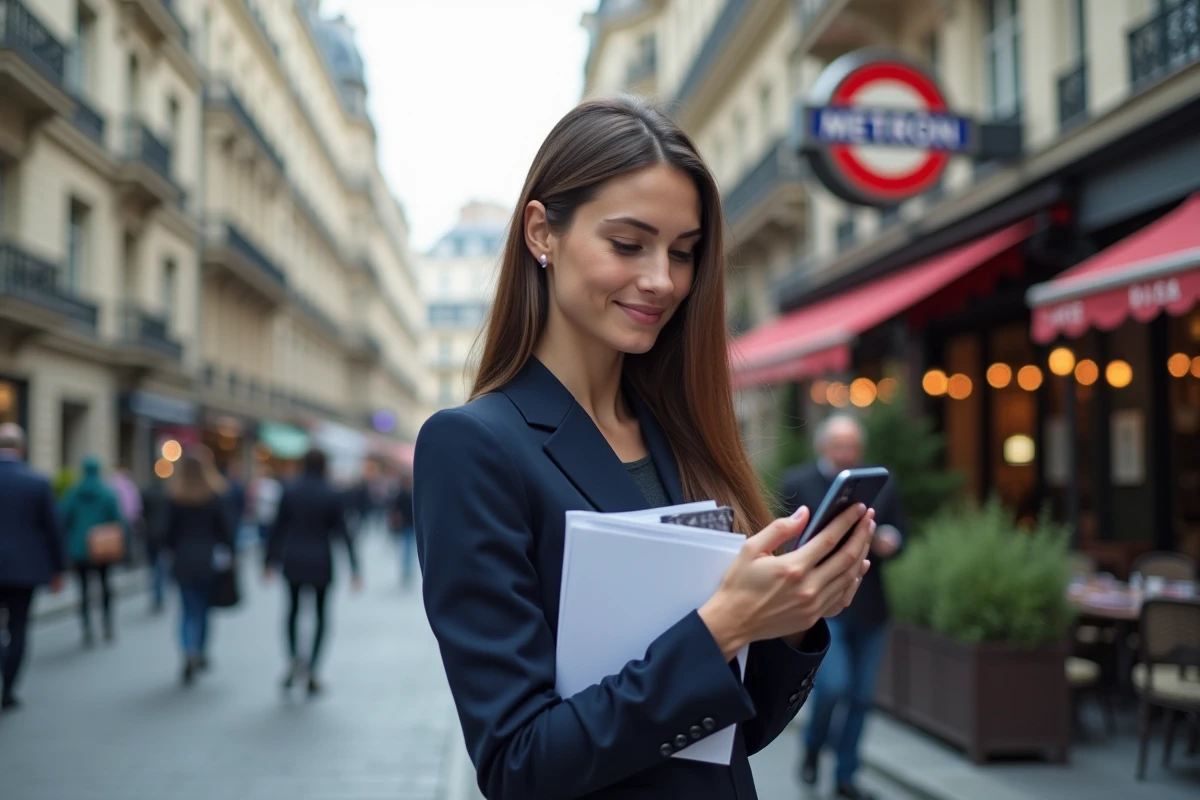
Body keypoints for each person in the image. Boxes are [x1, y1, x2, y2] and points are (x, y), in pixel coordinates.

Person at [413, 97, 877, 800]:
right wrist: (720, 627)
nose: (662, 279)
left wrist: (792, 621)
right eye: (628, 244)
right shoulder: (473, 446)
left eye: (683, 252)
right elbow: (519, 765)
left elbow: (733, 737)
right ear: (542, 233)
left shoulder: (679, 433)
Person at [780, 414, 907, 800]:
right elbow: (783, 537)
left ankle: (845, 776)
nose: (847, 453)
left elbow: (904, 532)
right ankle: (814, 744)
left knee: (862, 697)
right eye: (839, 445)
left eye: (853, 446)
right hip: (821, 604)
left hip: (869, 606)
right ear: (822, 447)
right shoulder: (797, 482)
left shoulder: (879, 484)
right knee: (835, 685)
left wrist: (892, 539)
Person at [264, 448, 361, 696]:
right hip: (321, 560)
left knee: (293, 612)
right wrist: (355, 568)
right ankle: (314, 668)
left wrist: (269, 561)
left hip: (293, 558)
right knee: (320, 615)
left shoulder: (290, 490)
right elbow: (342, 532)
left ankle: (294, 659)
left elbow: (277, 528)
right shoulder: (331, 493)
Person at [0, 424, 65, 711]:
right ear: (21, 448)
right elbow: (53, 530)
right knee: (19, 627)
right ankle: (8, 689)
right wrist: (58, 569)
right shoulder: (37, 483)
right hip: (24, 570)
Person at [161, 450, 234, 685]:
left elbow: (166, 533)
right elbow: (227, 530)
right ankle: (199, 651)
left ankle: (188, 650)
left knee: (187, 610)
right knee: (203, 610)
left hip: (183, 560)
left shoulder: (176, 496)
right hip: (208, 561)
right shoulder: (215, 495)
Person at [59, 456, 126, 647]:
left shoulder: (73, 494)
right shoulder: (107, 494)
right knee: (105, 586)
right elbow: (118, 521)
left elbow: (63, 519)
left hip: (79, 548)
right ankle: (107, 624)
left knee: (83, 589)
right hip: (103, 548)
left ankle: (87, 628)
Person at [389, 472, 415, 588]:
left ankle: (407, 570)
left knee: (408, 548)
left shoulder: (408, 494)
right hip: (407, 525)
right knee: (407, 548)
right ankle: (406, 570)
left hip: (409, 525)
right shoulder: (405, 495)